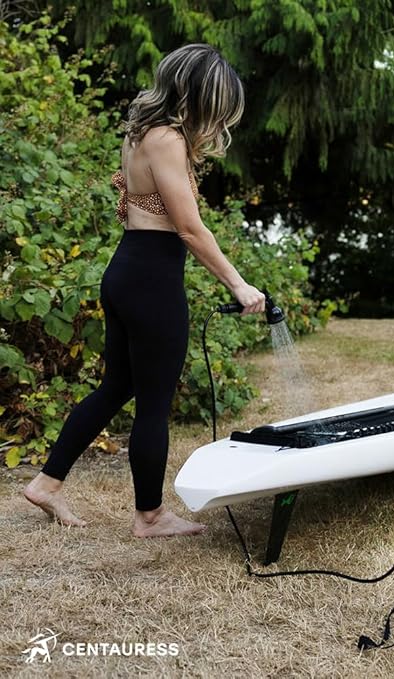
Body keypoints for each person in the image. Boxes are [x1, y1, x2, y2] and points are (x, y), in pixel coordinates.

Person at [24, 44, 265, 537]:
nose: (217, 119)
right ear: (196, 95)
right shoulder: (166, 139)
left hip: (127, 271)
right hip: (152, 280)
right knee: (153, 403)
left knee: (117, 387)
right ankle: (150, 515)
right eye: (216, 105)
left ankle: (46, 484)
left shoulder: (139, 133)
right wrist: (239, 284)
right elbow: (189, 229)